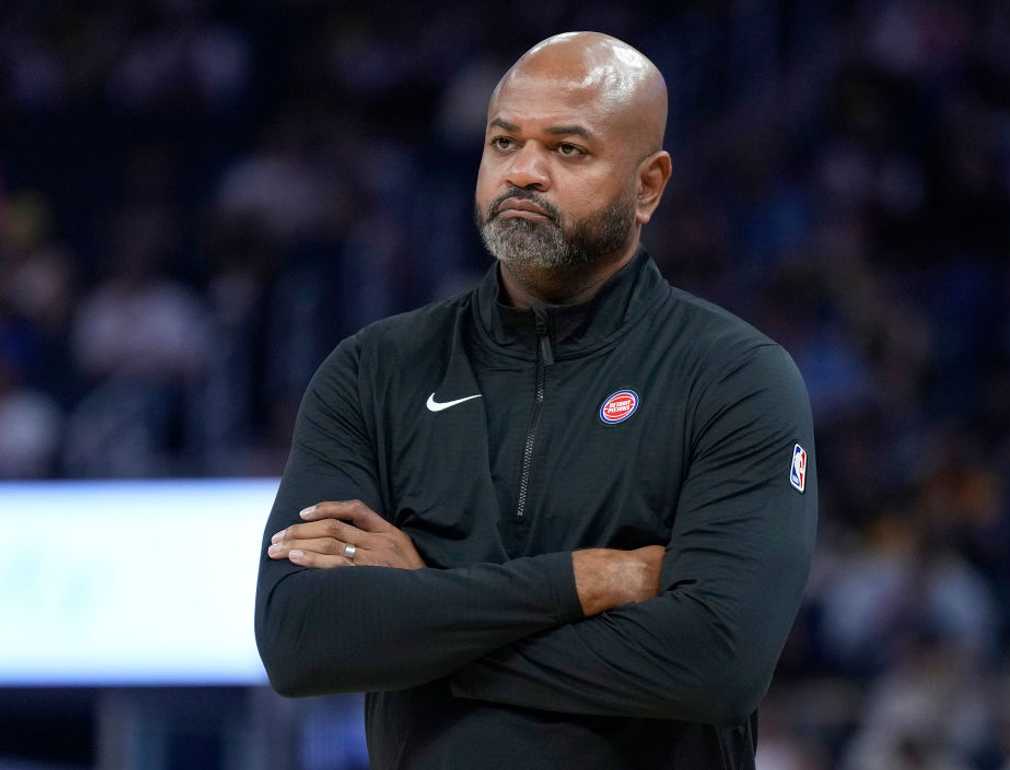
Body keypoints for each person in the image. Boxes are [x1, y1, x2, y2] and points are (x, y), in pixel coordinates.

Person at [255, 31, 817, 770]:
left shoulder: (734, 377)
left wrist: (423, 607)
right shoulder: (375, 372)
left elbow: (716, 664)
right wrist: (586, 580)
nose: (524, 172)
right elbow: (302, 641)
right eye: (503, 142)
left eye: (568, 150)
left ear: (647, 186)